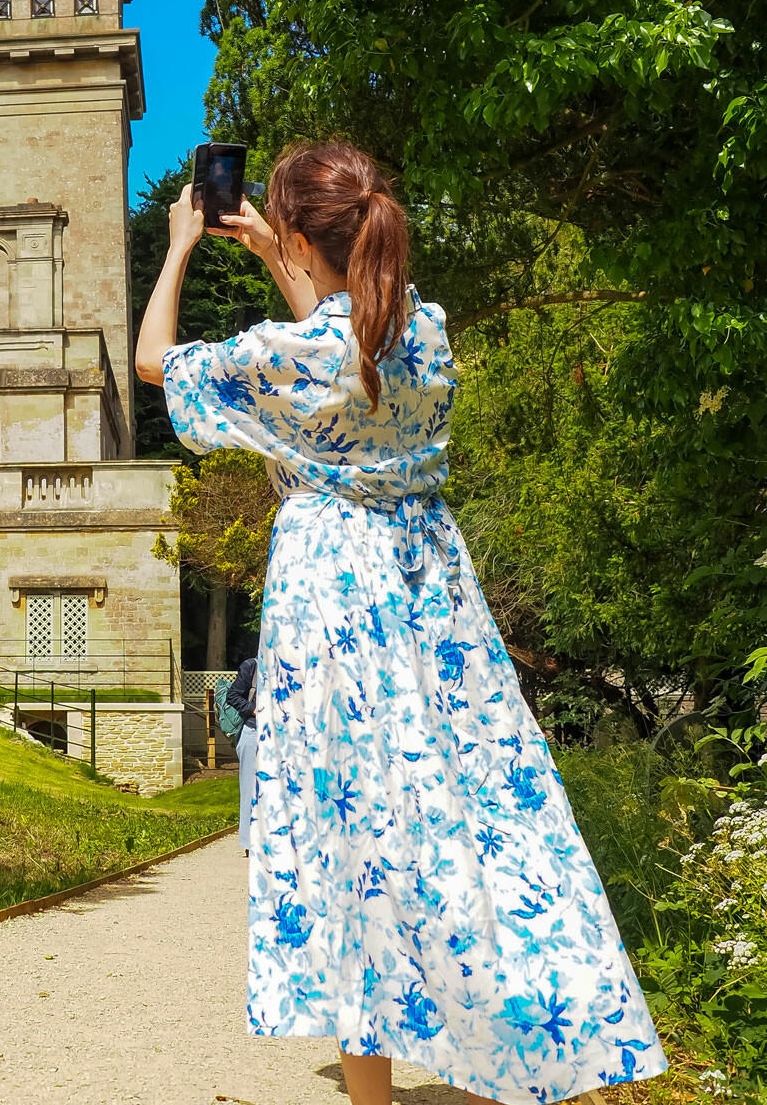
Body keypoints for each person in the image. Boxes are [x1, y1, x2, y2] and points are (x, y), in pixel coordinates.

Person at [135, 139, 665, 1105]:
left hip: (332, 600)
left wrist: (180, 248)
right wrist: (276, 254)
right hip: (429, 593)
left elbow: (153, 363)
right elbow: (353, 364)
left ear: (301, 233)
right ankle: (552, 1033)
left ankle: (374, 1093)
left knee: (352, 834)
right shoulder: (425, 333)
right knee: (482, 809)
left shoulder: (287, 355)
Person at [225, 654, 258, 851]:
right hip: (253, 731)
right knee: (249, 788)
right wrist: (254, 710)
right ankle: (248, 843)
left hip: (280, 737)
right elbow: (233, 696)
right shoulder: (252, 667)